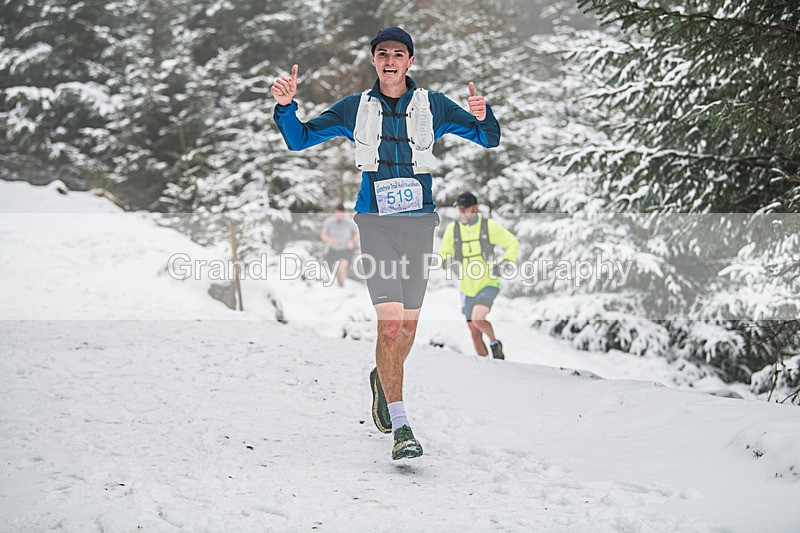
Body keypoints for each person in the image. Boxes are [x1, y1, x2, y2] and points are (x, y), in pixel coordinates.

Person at [271, 27, 500, 460]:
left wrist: (482, 113)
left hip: (419, 225)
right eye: (382, 53)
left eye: (399, 53)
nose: (390, 59)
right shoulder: (355, 107)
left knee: (409, 328)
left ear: (410, 61)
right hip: (375, 223)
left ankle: (383, 376)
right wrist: (286, 107)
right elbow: (299, 138)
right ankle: (401, 425)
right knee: (390, 325)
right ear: (373, 61)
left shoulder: (433, 105)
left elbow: (488, 138)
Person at [438, 192, 519, 360]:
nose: (462, 213)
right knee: (474, 333)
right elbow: (443, 254)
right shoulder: (454, 230)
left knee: (478, 319)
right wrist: (445, 262)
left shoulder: (489, 227)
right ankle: (486, 367)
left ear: (475, 208)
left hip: (488, 282)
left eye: (465, 209)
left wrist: (505, 262)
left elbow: (513, 244)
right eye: (460, 209)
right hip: (467, 288)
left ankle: (494, 342)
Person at [321, 204, 359, 287]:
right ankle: (339, 285)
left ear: (344, 213)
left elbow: (358, 232)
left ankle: (341, 285)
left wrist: (352, 241)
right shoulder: (330, 222)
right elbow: (323, 234)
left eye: (341, 213)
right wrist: (329, 239)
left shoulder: (348, 222)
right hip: (332, 250)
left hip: (344, 250)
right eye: (338, 213)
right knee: (335, 269)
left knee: (342, 266)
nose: (339, 215)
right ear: (335, 212)